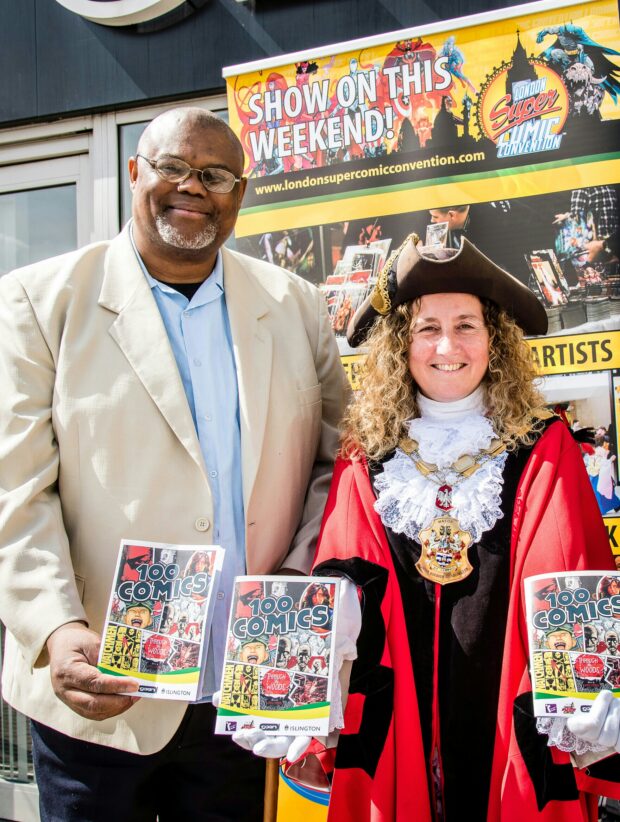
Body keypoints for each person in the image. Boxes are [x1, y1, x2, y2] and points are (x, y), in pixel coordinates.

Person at [0, 107, 347, 821]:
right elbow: (16, 490)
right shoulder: (40, 301)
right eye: (172, 168)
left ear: (239, 195)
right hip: (100, 695)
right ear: (135, 173)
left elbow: (334, 470)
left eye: (215, 175)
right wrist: (55, 628)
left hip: (247, 689)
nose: (193, 187)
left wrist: (292, 581)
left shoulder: (297, 307)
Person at [240, 237, 620, 818]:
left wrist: (594, 695)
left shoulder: (545, 447)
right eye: (426, 329)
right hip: (398, 731)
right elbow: (342, 580)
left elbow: (570, 574)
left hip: (508, 733)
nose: (448, 346)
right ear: (401, 345)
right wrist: (294, 687)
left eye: (466, 325)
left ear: (495, 339)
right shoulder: (366, 454)